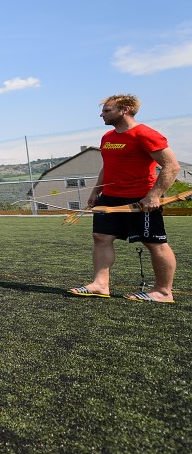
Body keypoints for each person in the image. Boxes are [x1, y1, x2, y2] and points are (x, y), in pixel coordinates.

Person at [67, 94, 180, 303]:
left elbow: (172, 166)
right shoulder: (107, 137)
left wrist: (153, 195)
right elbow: (107, 167)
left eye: (107, 110)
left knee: (154, 243)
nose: (102, 114)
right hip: (109, 198)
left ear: (125, 109)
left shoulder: (145, 134)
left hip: (140, 199)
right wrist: (95, 192)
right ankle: (100, 285)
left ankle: (163, 291)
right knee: (101, 237)